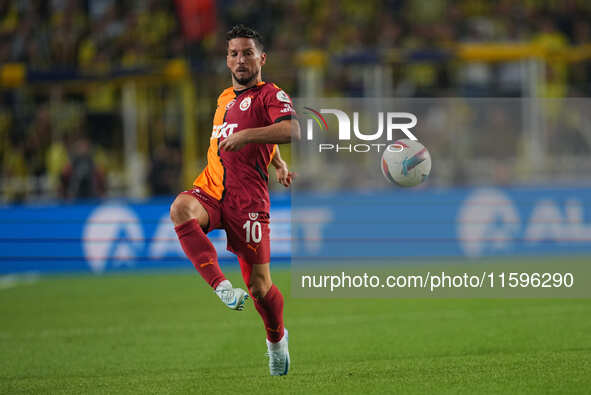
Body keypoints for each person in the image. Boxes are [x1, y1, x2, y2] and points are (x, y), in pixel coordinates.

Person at [169, 25, 299, 376]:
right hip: (211, 191)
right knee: (180, 209)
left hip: (248, 202)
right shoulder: (224, 98)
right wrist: (278, 161)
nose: (240, 60)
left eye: (247, 53)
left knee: (259, 288)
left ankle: (276, 341)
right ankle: (221, 286)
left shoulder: (270, 94)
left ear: (262, 58)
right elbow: (254, 141)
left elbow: (291, 129)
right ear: (227, 59)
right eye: (234, 53)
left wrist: (250, 138)